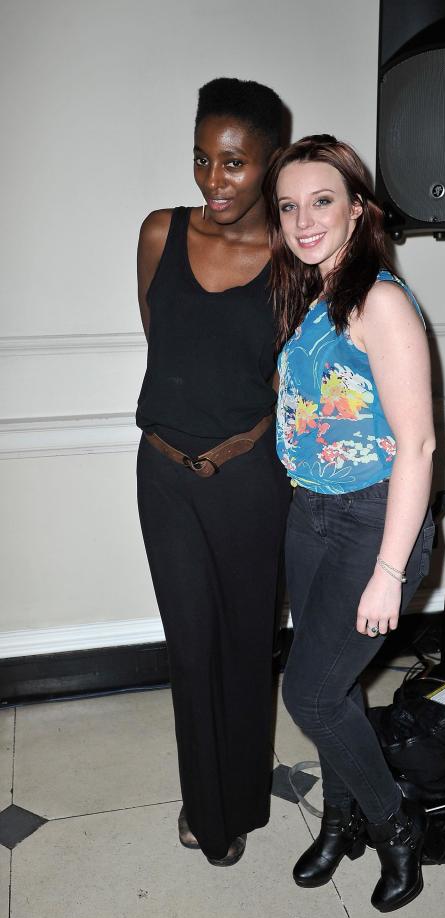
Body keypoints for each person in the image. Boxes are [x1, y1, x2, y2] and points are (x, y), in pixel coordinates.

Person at [263, 135, 435, 911]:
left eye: (321, 200)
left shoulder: (380, 300)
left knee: (311, 696)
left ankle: (397, 829)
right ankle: (341, 821)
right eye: (290, 205)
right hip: (313, 516)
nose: (303, 219)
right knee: (336, 686)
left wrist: (391, 570)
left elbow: (420, 444)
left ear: (358, 207)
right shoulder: (312, 295)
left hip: (371, 525)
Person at [135, 78, 291, 866]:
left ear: (268, 163)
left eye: (233, 163)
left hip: (249, 477)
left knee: (244, 642)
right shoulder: (161, 233)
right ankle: (210, 816)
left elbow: (279, 383)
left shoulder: (292, 261)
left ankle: (246, 800)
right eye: (203, 158)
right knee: (191, 647)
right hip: (163, 474)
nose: (213, 180)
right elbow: (164, 342)